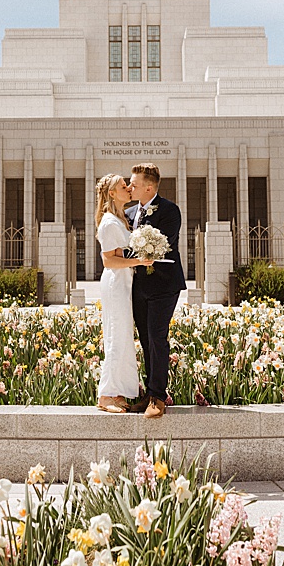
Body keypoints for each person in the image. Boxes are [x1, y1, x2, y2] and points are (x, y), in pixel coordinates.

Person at [125, 162, 186, 419]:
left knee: (157, 337)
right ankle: (150, 394)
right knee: (146, 341)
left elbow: (163, 245)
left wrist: (132, 252)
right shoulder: (129, 214)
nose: (130, 188)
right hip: (139, 286)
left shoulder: (170, 210)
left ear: (149, 187)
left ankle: (158, 398)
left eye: (134, 184)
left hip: (164, 285)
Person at [93, 174, 152, 413]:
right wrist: (140, 261)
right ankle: (106, 396)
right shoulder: (108, 222)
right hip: (116, 284)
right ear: (111, 193)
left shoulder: (120, 220)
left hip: (124, 283)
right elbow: (109, 261)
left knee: (123, 337)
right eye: (122, 186)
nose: (128, 188)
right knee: (116, 336)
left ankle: (118, 392)